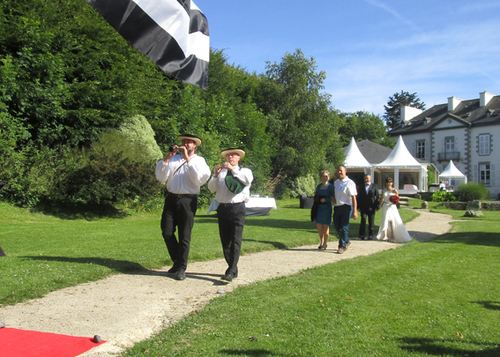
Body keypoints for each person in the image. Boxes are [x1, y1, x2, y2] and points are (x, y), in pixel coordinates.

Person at [155, 134, 211, 281]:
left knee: (185, 235)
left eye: (189, 142)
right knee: (166, 231)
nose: (186, 144)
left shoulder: (200, 161)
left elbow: (199, 179)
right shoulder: (173, 159)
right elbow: (160, 177)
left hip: (188, 200)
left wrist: (187, 159)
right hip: (172, 198)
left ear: (195, 145)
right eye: (184, 142)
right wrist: (167, 158)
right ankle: (178, 261)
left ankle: (181, 268)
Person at [208, 148, 253, 282]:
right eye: (228, 155)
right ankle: (233, 268)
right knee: (225, 240)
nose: (230, 157)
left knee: (235, 239)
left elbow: (247, 181)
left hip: (237, 208)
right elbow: (212, 188)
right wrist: (215, 175)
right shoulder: (221, 173)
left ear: (238, 158)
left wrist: (233, 170)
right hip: (223, 208)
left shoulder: (245, 171)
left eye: (233, 155)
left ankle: (231, 270)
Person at [376, 177, 412, 243]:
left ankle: (392, 236)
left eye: (390, 182)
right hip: (385, 206)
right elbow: (382, 199)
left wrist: (394, 200)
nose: (388, 184)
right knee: (385, 220)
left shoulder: (394, 190)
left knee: (392, 221)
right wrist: (379, 206)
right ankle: (385, 235)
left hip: (392, 206)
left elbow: (397, 199)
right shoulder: (384, 190)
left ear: (392, 183)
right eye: (387, 182)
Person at [333, 165, 358, 254]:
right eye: (338, 171)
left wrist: (355, 211)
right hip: (337, 207)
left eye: (341, 171)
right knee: (337, 226)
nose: (339, 172)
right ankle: (346, 240)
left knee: (344, 227)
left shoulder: (350, 183)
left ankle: (342, 246)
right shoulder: (336, 182)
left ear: (345, 171)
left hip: (346, 207)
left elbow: (353, 198)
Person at [314, 170, 334, 250]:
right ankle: (321, 241)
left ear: (328, 177)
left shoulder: (331, 187)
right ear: (321, 177)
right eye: (323, 176)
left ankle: (325, 243)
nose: (325, 178)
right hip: (319, 207)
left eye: (326, 176)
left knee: (326, 225)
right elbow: (316, 195)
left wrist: (326, 200)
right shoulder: (319, 186)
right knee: (319, 225)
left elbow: (333, 198)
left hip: (327, 207)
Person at [357, 174, 380, 240]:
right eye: (365, 178)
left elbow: (377, 197)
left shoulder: (374, 186)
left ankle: (371, 235)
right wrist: (358, 206)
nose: (366, 180)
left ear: (370, 179)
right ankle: (362, 234)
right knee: (363, 220)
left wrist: (377, 206)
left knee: (371, 221)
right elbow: (359, 197)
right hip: (363, 206)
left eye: (367, 178)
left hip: (371, 206)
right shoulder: (361, 186)